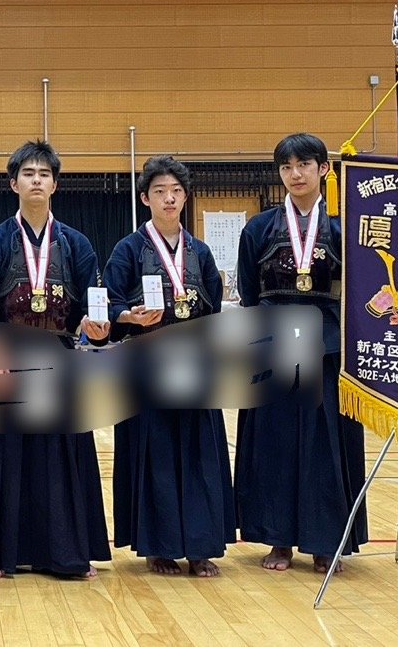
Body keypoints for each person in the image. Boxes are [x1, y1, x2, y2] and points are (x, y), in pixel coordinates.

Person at [0, 140, 111, 579]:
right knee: (8, 455)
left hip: (60, 360)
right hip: (8, 360)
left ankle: (65, 554)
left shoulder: (77, 244)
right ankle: (0, 555)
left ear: (55, 184)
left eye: (44, 174)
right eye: (28, 173)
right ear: (13, 183)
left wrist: (97, 329)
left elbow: (90, 310)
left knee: (60, 458)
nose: (36, 181)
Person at [234, 133, 368, 574]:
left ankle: (327, 540)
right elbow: (250, 294)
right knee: (274, 444)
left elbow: (363, 293)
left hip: (329, 346)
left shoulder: (346, 227)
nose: (295, 174)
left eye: (304, 165)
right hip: (274, 343)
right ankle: (278, 541)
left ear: (324, 169)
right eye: (286, 167)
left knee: (326, 444)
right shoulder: (257, 229)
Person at [104, 155, 235, 578]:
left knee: (200, 456)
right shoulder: (127, 249)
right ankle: (157, 547)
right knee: (154, 454)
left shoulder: (200, 251)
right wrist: (127, 317)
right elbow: (109, 305)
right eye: (159, 191)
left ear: (185, 196)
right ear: (145, 198)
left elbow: (214, 307)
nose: (169, 198)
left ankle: (201, 547)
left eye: (176, 190)